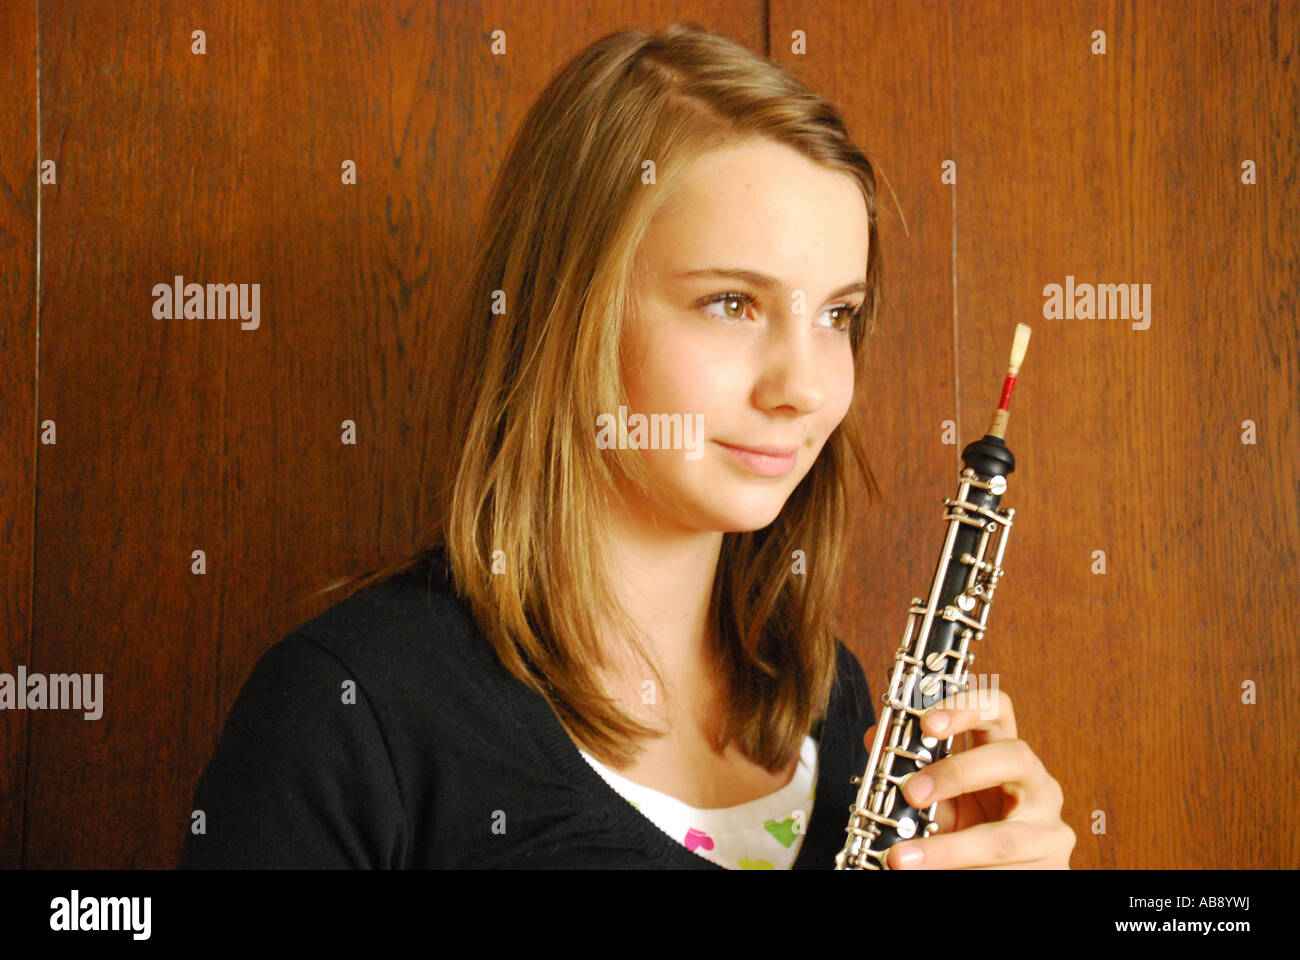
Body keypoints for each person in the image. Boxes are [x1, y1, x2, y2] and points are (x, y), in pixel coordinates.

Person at [179, 22, 1073, 870]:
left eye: (837, 314)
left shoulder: (827, 699)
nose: (803, 387)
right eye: (731, 303)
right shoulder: (350, 708)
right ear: (573, 316)